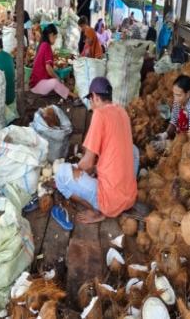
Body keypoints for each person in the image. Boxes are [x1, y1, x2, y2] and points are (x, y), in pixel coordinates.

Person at [55, 77, 139, 224]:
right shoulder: (121, 111)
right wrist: (94, 168)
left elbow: (87, 163)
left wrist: (76, 169)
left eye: (91, 99)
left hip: (110, 201)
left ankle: (99, 211)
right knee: (133, 150)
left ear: (95, 97)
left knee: (61, 174)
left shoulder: (99, 114)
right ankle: (114, 198)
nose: (91, 104)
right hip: (129, 197)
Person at [153, 74, 190, 150]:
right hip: (182, 136)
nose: (175, 98)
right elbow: (174, 120)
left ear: (188, 94)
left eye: (179, 95)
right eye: (174, 94)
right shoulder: (178, 101)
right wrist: (165, 134)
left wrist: (170, 144)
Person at [30, 24, 77, 99]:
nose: (55, 40)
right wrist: (58, 78)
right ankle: (73, 96)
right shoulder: (46, 46)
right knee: (56, 82)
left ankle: (68, 92)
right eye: (55, 37)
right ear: (51, 35)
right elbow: (48, 68)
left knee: (57, 80)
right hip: (38, 86)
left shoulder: (42, 44)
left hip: (36, 84)